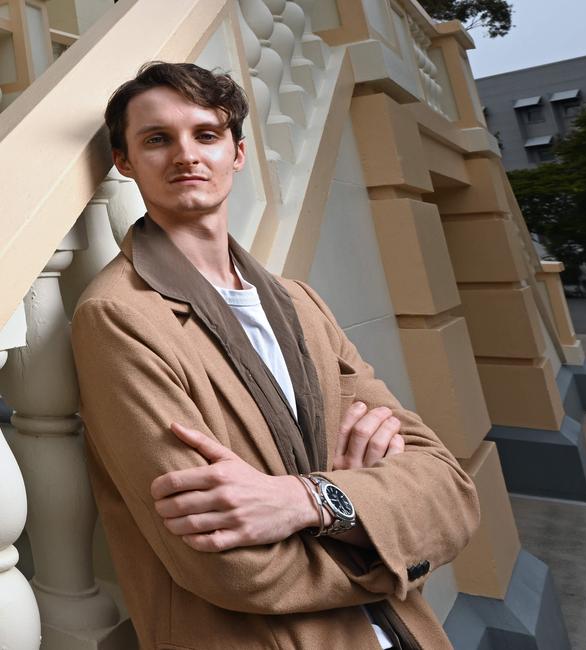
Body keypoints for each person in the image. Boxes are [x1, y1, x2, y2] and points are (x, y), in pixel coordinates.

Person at [71, 61, 480, 650]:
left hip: (404, 634)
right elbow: (231, 566)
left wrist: (306, 500)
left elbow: (450, 493)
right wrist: (385, 529)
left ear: (236, 153)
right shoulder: (118, 317)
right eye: (157, 139)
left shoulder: (299, 303)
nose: (186, 154)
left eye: (206, 134)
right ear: (125, 162)